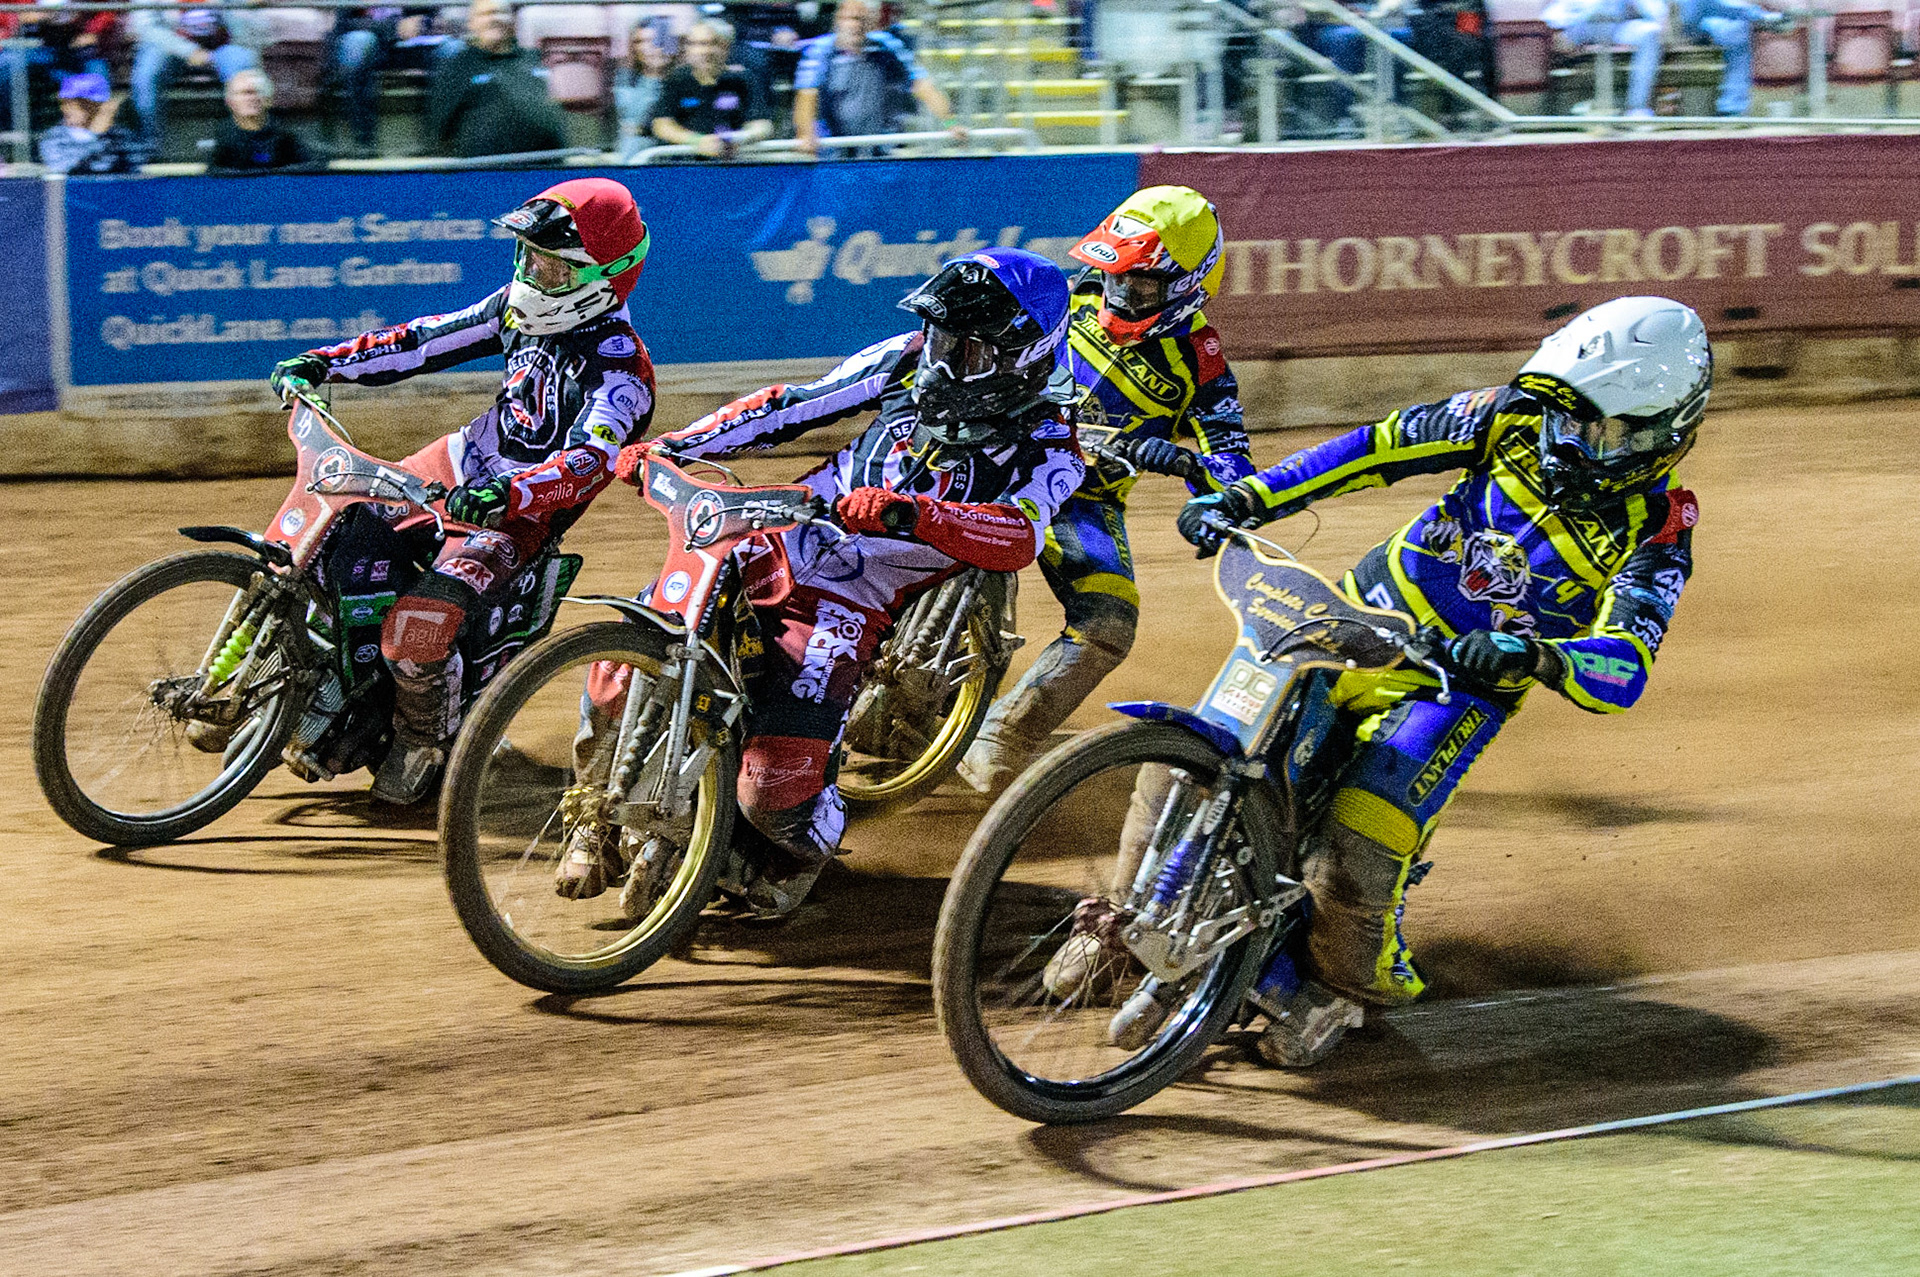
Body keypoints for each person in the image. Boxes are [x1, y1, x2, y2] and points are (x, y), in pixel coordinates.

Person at [1169, 296, 1707, 1067]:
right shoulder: (1508, 412)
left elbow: (1626, 662)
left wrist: (1540, 658)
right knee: (1198, 752)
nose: (1568, 437)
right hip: (1351, 618)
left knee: (1360, 837)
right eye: (1567, 412)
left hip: (1457, 685)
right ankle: (1132, 914)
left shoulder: (1661, 523)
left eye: (1600, 426)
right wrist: (1248, 497)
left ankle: (1349, 986)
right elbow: (1375, 448)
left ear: (1663, 431)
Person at [578, 249, 1086, 916]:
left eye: (963, 348)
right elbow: (791, 407)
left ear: (1019, 357)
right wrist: (678, 446)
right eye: (937, 336)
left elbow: (1019, 534)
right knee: (632, 644)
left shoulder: (1050, 442)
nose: (937, 358)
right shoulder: (905, 359)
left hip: (858, 591)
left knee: (773, 796)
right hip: (783, 529)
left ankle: (800, 840)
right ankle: (592, 808)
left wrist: (915, 512)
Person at [265, 178, 657, 804]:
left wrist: (512, 494)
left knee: (415, 633)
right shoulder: (514, 308)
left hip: (516, 519)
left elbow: (588, 464)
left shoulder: (621, 370)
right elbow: (424, 340)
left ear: (603, 277)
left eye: (552, 263)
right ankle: (318, 684)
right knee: (330, 533)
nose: (533, 271)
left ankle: (426, 739)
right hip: (453, 461)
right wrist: (327, 362)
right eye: (528, 255)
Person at [959, 186, 1253, 795]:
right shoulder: (1062, 294)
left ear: (1188, 283)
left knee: (1109, 622)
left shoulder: (1202, 362)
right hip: (992, 453)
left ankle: (999, 737)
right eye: (1114, 273)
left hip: (1083, 498)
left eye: (1143, 283)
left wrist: (1186, 466)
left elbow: (1233, 467)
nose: (1122, 291)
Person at [791, 0, 959, 156]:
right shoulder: (820, 50)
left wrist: (950, 124)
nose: (856, 26)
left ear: (872, 22)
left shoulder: (887, 45)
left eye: (863, 19)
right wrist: (805, 134)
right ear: (838, 19)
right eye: (852, 18)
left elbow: (921, 84)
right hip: (834, 155)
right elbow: (807, 93)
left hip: (878, 152)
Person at [427, 0, 571, 159]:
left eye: (500, 13)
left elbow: (556, 114)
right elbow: (439, 128)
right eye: (485, 14)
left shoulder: (533, 59)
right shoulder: (457, 66)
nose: (494, 18)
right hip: (484, 171)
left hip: (545, 166)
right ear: (472, 23)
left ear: (513, 21)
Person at [128, 0, 266, 147]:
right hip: (169, 46)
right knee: (147, 75)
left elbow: (239, 16)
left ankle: (248, 139)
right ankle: (150, 145)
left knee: (244, 65)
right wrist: (188, 51)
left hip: (220, 43)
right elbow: (147, 27)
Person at [646, 18, 772, 158]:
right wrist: (697, 141)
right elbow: (661, 124)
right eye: (695, 44)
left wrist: (738, 139)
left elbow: (762, 125)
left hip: (729, 162)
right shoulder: (677, 79)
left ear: (726, 47)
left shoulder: (743, 79)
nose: (704, 51)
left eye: (711, 44)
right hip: (683, 162)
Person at [328, 4, 439, 156]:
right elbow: (344, 23)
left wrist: (422, 22)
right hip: (369, 39)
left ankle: (437, 142)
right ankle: (364, 145)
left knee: (451, 49)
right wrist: (393, 27)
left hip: (409, 43)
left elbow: (431, 14)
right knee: (359, 42)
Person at [1540, 0, 1668, 117]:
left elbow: (1657, 11)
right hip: (1580, 26)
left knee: (1651, 34)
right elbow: (1551, 17)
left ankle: (1637, 109)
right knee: (1601, 9)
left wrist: (1658, 16)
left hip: (1616, 26)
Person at [1679, 0, 1793, 116]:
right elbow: (1721, 6)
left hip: (1716, 17)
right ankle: (1732, 108)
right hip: (1693, 21)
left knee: (1737, 28)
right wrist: (1761, 16)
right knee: (1735, 32)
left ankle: (1733, 107)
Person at [207, 68, 323, 173]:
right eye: (245, 93)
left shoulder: (284, 134)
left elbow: (313, 165)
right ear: (230, 101)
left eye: (258, 92)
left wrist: (276, 173)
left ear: (269, 100)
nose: (252, 98)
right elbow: (211, 173)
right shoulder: (220, 135)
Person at [37, 72, 143, 175]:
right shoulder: (55, 138)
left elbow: (135, 167)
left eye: (80, 104)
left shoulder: (120, 136)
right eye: (65, 103)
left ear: (100, 106)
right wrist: (96, 136)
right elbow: (67, 170)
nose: (66, 109)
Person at [614, 19, 675, 162]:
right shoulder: (625, 80)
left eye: (653, 40)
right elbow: (629, 126)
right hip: (634, 161)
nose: (646, 47)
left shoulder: (682, 81)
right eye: (639, 42)